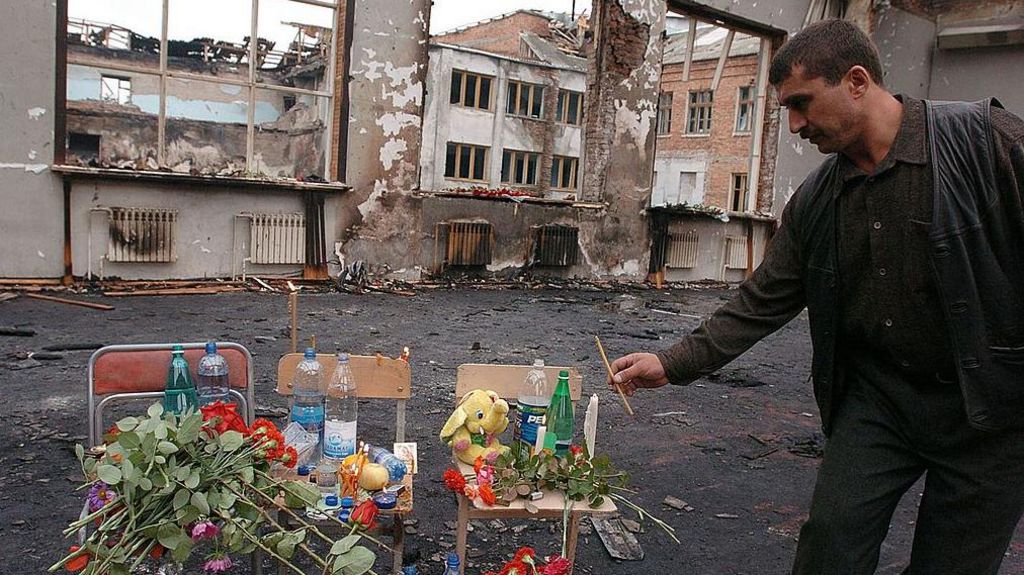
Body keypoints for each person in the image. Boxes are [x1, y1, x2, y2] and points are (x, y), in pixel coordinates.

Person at [610, 18, 1024, 575]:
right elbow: (762, 300)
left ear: (856, 82)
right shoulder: (817, 201)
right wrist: (673, 362)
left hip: (991, 414)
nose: (796, 124)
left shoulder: (984, 142)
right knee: (829, 547)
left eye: (802, 103)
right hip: (881, 406)